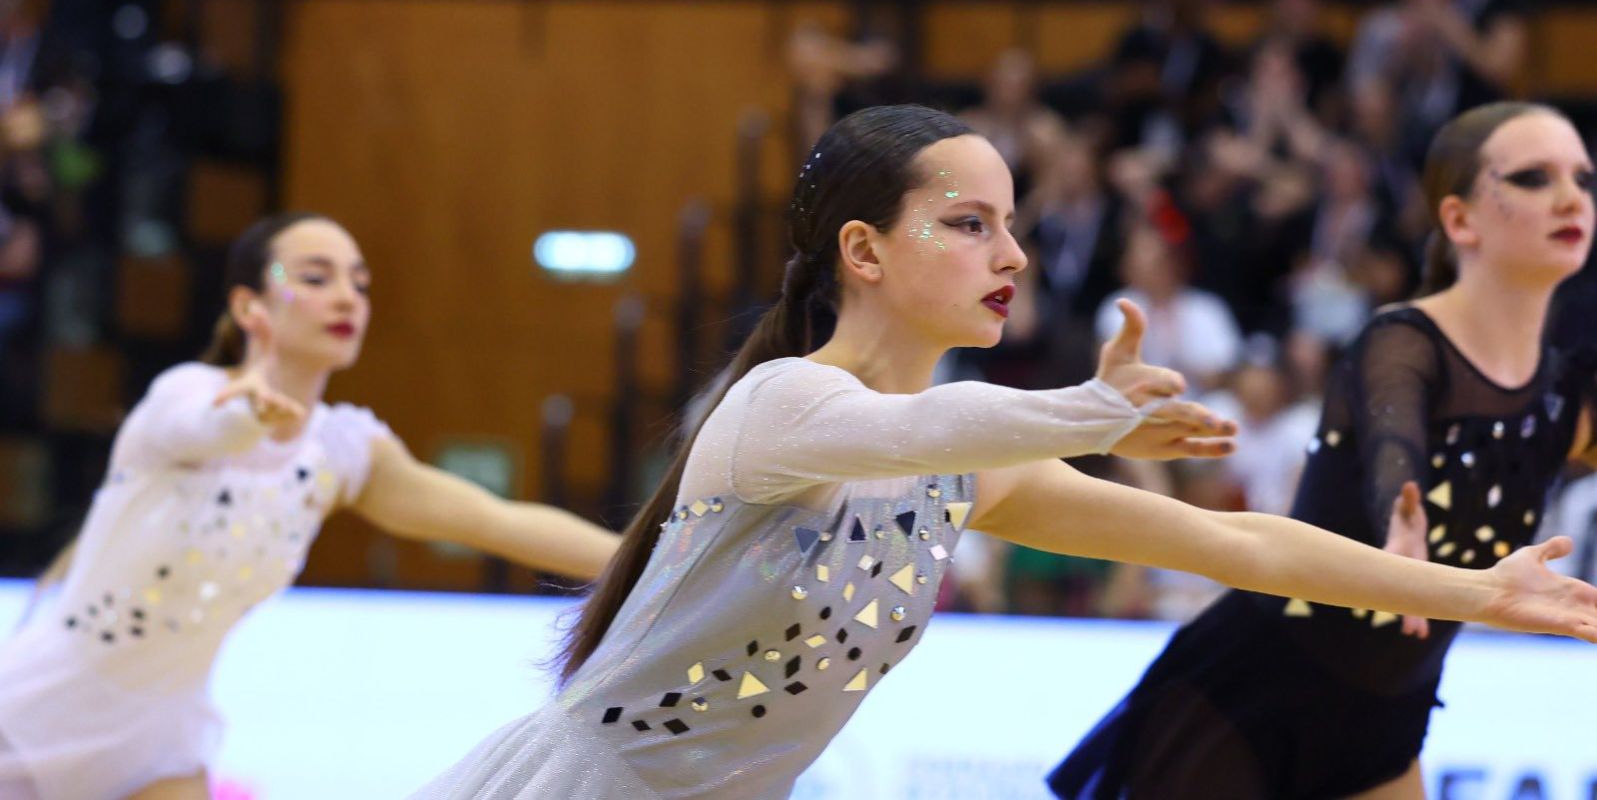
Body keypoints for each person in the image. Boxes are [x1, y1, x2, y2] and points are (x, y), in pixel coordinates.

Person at [411, 105, 1597, 800]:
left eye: (1014, 223)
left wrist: (1479, 590)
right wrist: (1092, 411)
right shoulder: (778, 405)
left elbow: (1237, 538)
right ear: (865, 253)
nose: (1012, 253)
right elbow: (915, 427)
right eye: (970, 223)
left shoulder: (972, 462)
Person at [1049, 101, 1597, 799]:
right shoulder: (1401, 342)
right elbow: (1391, 435)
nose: (1569, 195)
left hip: (1386, 717)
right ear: (1459, 219)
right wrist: (1400, 514)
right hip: (1254, 698)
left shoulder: (1565, 392)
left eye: (1580, 177)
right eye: (1531, 176)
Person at [0, 212, 620, 800]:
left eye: (360, 282)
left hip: (159, 746)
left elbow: (496, 521)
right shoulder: (184, 396)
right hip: (34, 716)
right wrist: (247, 416)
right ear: (248, 305)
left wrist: (657, 560)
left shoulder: (342, 453)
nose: (347, 297)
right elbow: (203, 426)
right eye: (316, 278)